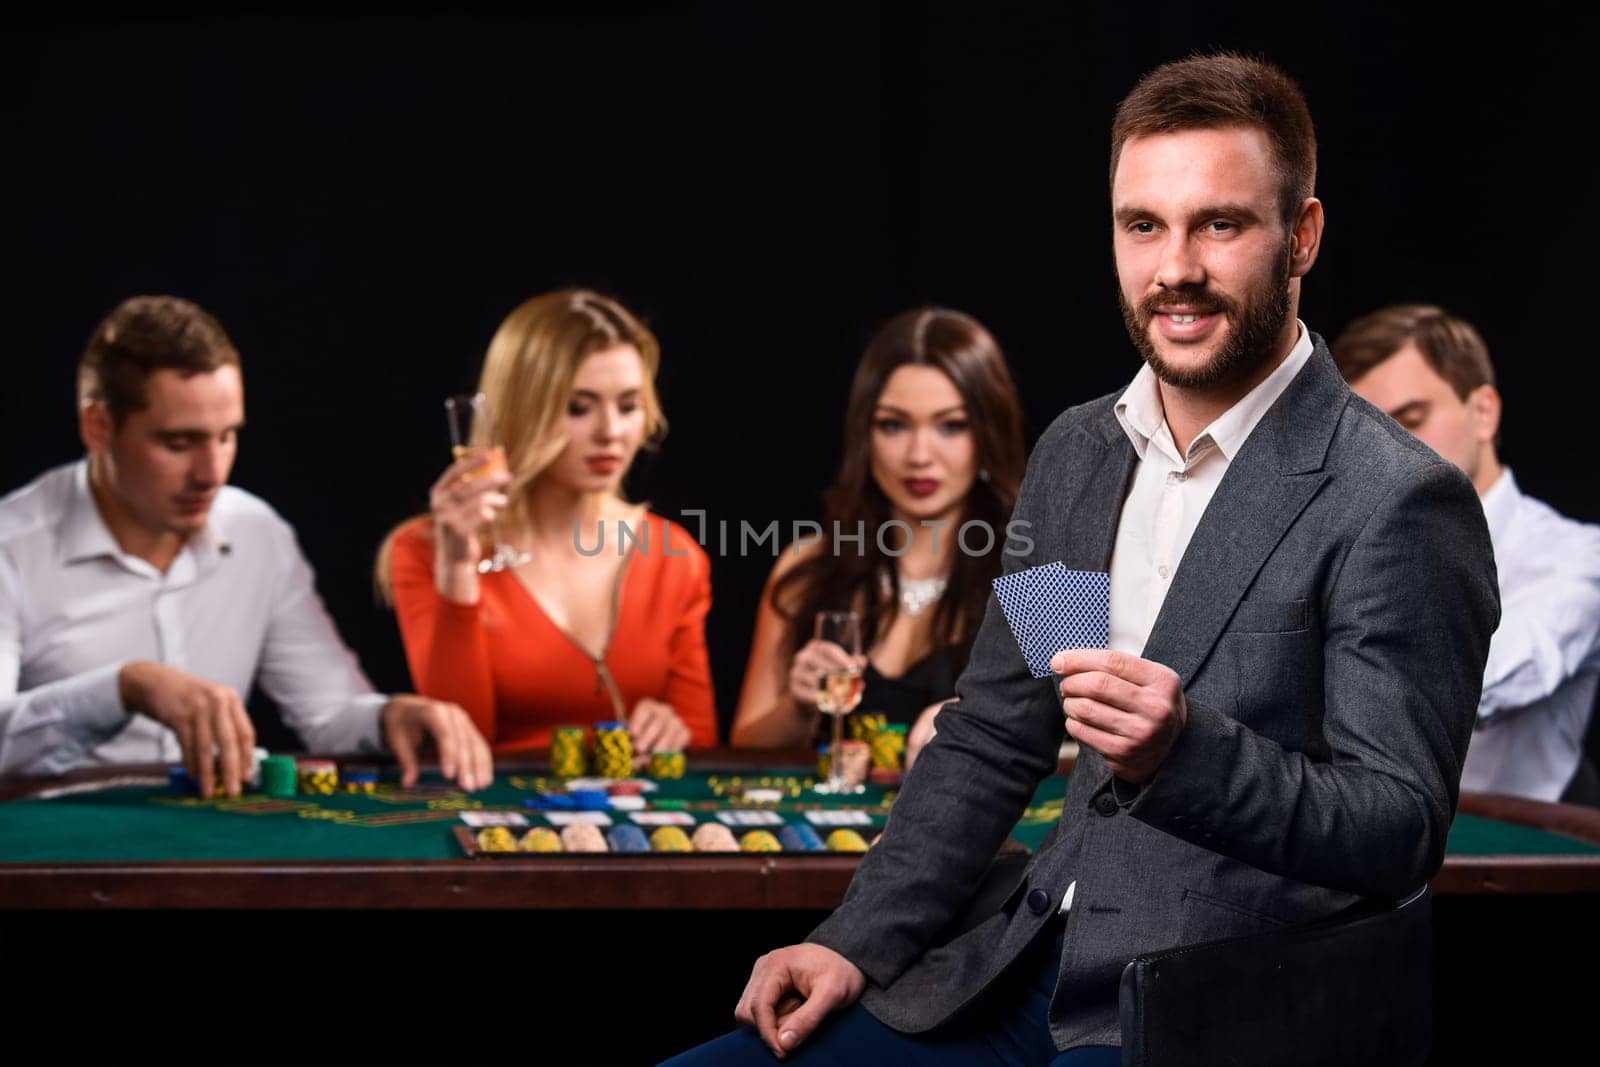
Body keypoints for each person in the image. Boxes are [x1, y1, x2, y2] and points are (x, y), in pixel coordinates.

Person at [665, 53, 1498, 1065]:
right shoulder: (1076, 454)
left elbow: (1395, 827)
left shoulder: (1398, 497)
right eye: (1142, 223)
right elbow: (996, 737)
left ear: (1302, 237)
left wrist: (1183, 753)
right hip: (1018, 971)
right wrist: (854, 938)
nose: (1174, 266)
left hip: (1212, 1014)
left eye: (1219, 224)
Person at [0, 295, 493, 798]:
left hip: (215, 838)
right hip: (57, 849)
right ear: (98, 427)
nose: (211, 473)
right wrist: (127, 687)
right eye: (178, 443)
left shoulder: (257, 530)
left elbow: (328, 710)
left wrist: (392, 716)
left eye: (227, 436)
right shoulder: (11, 544)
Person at [381, 288, 716, 758]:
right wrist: (458, 566)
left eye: (628, 405)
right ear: (523, 409)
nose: (611, 432)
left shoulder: (673, 554)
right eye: (578, 407)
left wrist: (673, 732)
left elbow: (704, 745)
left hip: (623, 822)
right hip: (495, 818)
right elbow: (458, 744)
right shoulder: (426, 549)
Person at [728, 307, 1026, 769]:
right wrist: (799, 705)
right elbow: (745, 748)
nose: (919, 455)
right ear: (864, 434)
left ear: (987, 433)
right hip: (834, 838)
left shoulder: (1041, 562)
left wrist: (981, 723)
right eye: (893, 425)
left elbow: (1086, 743)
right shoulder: (806, 567)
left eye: (951, 425)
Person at [1333, 305, 1600, 804]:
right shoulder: (1343, 542)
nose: (1388, 450)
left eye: (1411, 419)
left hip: (1520, 859)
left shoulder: (1577, 558)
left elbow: (1486, 681)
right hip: (1366, 857)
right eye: (1367, 432)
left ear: (1484, 413)